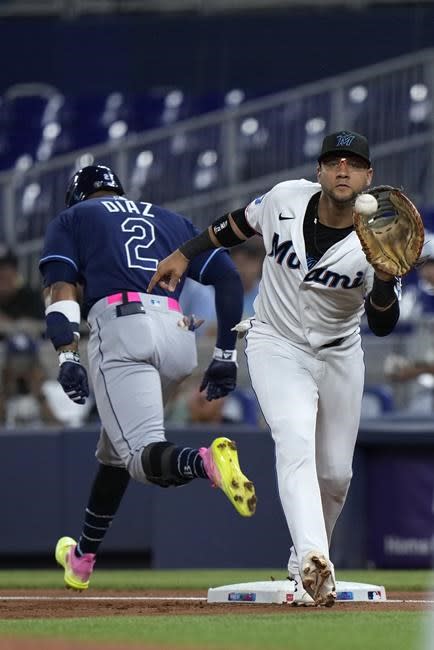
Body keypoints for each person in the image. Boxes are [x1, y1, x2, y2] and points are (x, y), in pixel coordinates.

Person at [148, 130, 401, 607]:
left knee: (336, 476)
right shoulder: (284, 198)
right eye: (333, 161)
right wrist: (184, 253)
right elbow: (233, 226)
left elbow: (384, 325)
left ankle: (301, 563)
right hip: (275, 343)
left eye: (353, 163)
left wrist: (385, 278)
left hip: (341, 353)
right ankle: (314, 559)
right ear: (319, 172)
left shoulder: (379, 238)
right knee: (293, 437)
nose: (342, 169)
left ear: (368, 176)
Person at [38, 164, 256, 591]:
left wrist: (67, 354)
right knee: (116, 452)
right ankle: (82, 557)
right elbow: (228, 277)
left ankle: (205, 461)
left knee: (140, 458)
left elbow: (61, 291)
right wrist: (226, 354)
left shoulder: (74, 218)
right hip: (176, 335)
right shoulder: (169, 219)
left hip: (121, 328)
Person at [0, 247, 45, 338]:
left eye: (7, 268)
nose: (3, 272)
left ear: (15, 272)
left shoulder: (30, 296)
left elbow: (44, 329)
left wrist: (10, 325)